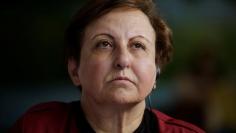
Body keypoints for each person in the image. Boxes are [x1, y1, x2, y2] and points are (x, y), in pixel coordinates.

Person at [10, 0, 205, 132]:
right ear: (74, 69)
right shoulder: (36, 127)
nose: (123, 60)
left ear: (156, 70)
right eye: (104, 44)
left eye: (137, 45)